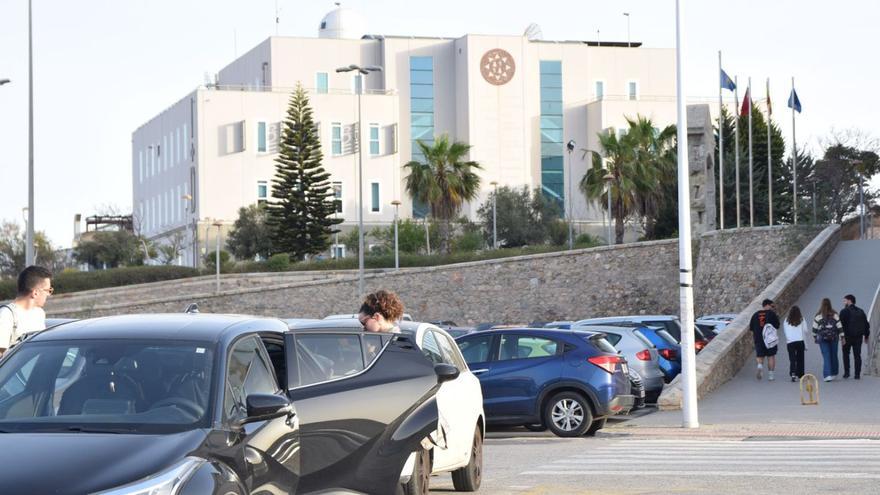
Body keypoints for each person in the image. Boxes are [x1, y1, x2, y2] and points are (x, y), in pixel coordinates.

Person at [0, 265, 53, 355]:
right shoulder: (6, 315)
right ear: (35, 293)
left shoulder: (39, 314)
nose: (49, 294)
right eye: (48, 290)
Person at [839, 294, 871, 380]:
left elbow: (840, 326)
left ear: (849, 301)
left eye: (845, 300)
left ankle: (847, 373)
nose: (844, 302)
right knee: (857, 355)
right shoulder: (860, 311)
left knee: (846, 354)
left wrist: (842, 337)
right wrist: (866, 336)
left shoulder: (844, 311)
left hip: (847, 337)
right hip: (858, 337)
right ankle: (857, 374)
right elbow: (866, 324)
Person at [812, 298, 843, 382]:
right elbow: (840, 327)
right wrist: (842, 337)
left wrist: (815, 337)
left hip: (823, 339)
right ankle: (834, 373)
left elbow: (814, 329)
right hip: (834, 338)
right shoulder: (835, 315)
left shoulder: (818, 316)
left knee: (826, 356)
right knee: (834, 355)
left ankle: (827, 375)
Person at [749, 299, 780, 381]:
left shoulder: (755, 315)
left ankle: (760, 366)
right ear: (767, 305)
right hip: (770, 339)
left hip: (759, 339)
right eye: (772, 306)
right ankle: (771, 376)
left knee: (760, 355)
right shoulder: (772, 314)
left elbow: (751, 328)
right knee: (771, 356)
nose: (773, 308)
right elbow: (777, 326)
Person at [782, 305, 809, 382]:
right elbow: (806, 330)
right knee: (800, 358)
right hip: (800, 341)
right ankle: (801, 374)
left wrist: (789, 337)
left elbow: (785, 330)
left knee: (792, 359)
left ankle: (793, 373)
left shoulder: (786, 320)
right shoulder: (802, 319)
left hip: (790, 342)